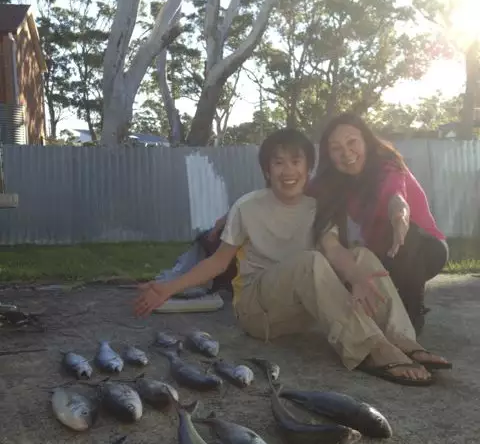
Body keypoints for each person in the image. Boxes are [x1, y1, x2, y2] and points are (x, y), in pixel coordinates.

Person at [134, 128, 451, 384]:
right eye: (279, 162)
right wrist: (168, 288)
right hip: (258, 313)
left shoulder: (319, 208)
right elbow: (217, 262)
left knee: (362, 256)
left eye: (296, 161)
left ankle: (404, 339)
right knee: (308, 261)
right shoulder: (248, 207)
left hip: (301, 313)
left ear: (308, 168)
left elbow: (334, 250)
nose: (288, 170)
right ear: (267, 170)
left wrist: (355, 278)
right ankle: (371, 348)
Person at [310, 112, 448, 334]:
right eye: (336, 148)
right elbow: (302, 191)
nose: (346, 153)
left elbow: (396, 196)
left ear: (366, 140)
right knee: (348, 269)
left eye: (352, 142)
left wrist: (399, 217)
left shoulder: (388, 166)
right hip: (382, 256)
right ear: (329, 154)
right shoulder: (334, 182)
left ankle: (412, 317)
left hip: (425, 247)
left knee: (406, 237)